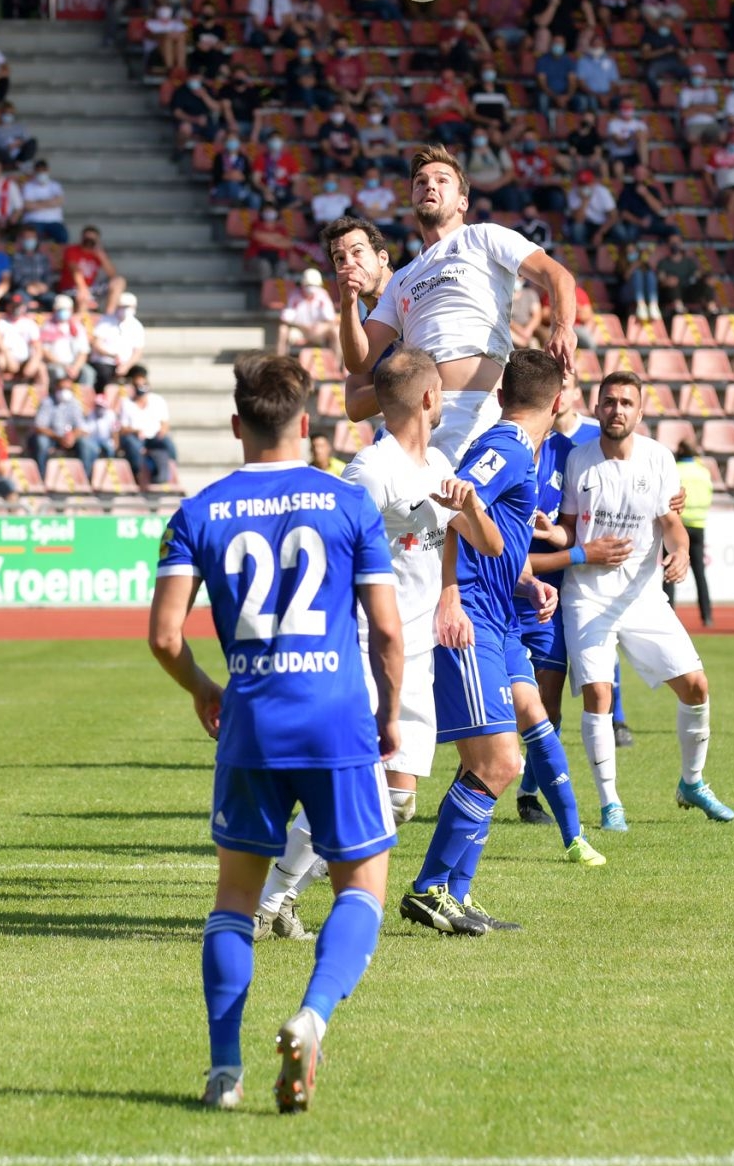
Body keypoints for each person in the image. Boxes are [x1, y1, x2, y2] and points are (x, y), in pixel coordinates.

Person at [147, 351, 402, 1112]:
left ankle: (224, 1073)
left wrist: (204, 688)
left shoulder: (198, 512)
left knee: (234, 898)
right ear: (306, 421)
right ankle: (312, 1017)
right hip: (336, 721)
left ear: (237, 425)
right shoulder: (348, 503)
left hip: (251, 722)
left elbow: (164, 636)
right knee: (362, 885)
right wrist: (389, 713)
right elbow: (388, 632)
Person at [252, 344, 472, 940]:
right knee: (356, 793)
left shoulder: (439, 462)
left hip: (418, 652)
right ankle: (268, 900)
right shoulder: (370, 470)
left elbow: (461, 535)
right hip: (367, 648)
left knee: (395, 802)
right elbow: (329, 551)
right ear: (431, 397)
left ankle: (277, 897)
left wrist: (455, 583)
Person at [403, 348, 566, 935]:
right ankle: (429, 889)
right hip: (471, 620)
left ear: (501, 395)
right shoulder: (509, 447)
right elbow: (455, 500)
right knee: (499, 762)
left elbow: (483, 522)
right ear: (558, 402)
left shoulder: (516, 449)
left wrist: (524, 580)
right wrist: (450, 592)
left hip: (496, 617)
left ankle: (455, 893)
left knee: (487, 763)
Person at [558, 371, 732, 830]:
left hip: (643, 596)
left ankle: (692, 782)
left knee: (696, 686)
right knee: (599, 693)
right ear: (597, 407)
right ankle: (610, 803)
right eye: (609, 401)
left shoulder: (658, 458)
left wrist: (682, 550)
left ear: (639, 412)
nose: (617, 410)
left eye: (626, 403)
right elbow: (569, 527)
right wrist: (556, 539)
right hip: (588, 595)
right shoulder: (578, 460)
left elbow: (671, 523)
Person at [341, 146, 577, 469]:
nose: (430, 186)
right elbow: (360, 359)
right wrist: (348, 301)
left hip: (480, 411)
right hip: (419, 418)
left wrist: (562, 327)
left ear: (463, 202)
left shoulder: (483, 237)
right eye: (421, 182)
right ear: (413, 198)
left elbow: (557, 275)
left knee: (469, 502)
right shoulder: (401, 279)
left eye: (442, 180)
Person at [509, 374, 638, 829]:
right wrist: (582, 553)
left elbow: (614, 492)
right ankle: (475, 779)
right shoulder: (503, 448)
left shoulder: (573, 455)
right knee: (496, 706)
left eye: (566, 385)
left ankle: (528, 794)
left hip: (549, 597)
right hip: (501, 593)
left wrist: (672, 500)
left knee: (549, 701)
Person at [663, 437, 712, 625]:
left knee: (670, 570)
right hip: (699, 524)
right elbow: (709, 496)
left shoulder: (674, 469)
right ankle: (707, 616)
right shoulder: (703, 472)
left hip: (678, 525)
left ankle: (669, 614)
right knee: (700, 573)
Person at [118, 365, 177, 488]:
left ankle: (169, 473)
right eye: (137, 385)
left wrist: (162, 432)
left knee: (168, 444)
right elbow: (122, 429)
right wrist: (136, 431)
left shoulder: (157, 400)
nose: (140, 387)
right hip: (136, 437)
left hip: (154, 437)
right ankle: (139, 475)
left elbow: (165, 423)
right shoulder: (126, 403)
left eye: (143, 384)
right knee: (133, 445)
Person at [30, 378, 100, 478]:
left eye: (68, 389)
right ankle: (41, 476)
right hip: (52, 438)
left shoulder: (75, 403)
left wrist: (72, 436)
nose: (65, 391)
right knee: (41, 442)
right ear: (56, 388)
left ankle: (83, 477)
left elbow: (80, 427)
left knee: (87, 444)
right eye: (62, 388)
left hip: (69, 438)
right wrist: (59, 438)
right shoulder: (47, 402)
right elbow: (39, 427)